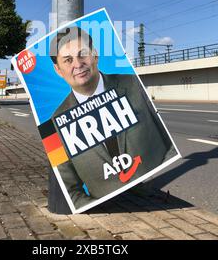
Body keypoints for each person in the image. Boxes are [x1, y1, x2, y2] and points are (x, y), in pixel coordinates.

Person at [49, 26, 177, 210]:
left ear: (95, 55)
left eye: (82, 54)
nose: (77, 64)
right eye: (68, 60)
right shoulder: (52, 127)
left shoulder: (134, 84)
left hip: (153, 197)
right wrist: (104, 211)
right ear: (58, 70)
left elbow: (169, 143)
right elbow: (69, 192)